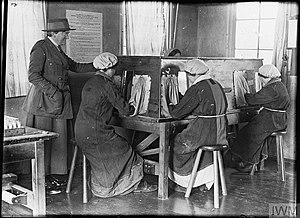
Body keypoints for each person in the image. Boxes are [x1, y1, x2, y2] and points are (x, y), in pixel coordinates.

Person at [22, 18, 98, 194]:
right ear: (53, 33)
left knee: (58, 142)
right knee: (45, 144)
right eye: (65, 33)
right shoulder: (41, 47)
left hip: (58, 104)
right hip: (44, 103)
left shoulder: (58, 50)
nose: (67, 36)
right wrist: (54, 92)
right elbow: (33, 75)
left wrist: (97, 65)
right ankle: (43, 181)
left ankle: (54, 178)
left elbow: (76, 67)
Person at [74, 52, 157, 198]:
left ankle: (109, 184)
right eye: (114, 70)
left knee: (116, 149)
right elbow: (125, 110)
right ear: (108, 69)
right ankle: (132, 185)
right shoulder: (107, 85)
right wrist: (135, 104)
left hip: (80, 131)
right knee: (127, 151)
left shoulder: (90, 82)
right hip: (96, 133)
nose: (114, 73)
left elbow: (98, 105)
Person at [168, 59, 228, 192]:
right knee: (197, 146)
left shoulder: (197, 87)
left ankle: (185, 184)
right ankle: (205, 182)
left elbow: (177, 114)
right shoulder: (216, 84)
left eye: (188, 75)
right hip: (220, 132)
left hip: (205, 130)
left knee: (177, 143)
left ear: (193, 75)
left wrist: (171, 104)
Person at [230, 64, 290, 172]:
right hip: (279, 120)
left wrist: (244, 92)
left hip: (272, 120)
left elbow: (252, 100)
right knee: (250, 130)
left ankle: (248, 163)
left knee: (248, 132)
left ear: (264, 77)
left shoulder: (271, 88)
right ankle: (246, 160)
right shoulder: (278, 84)